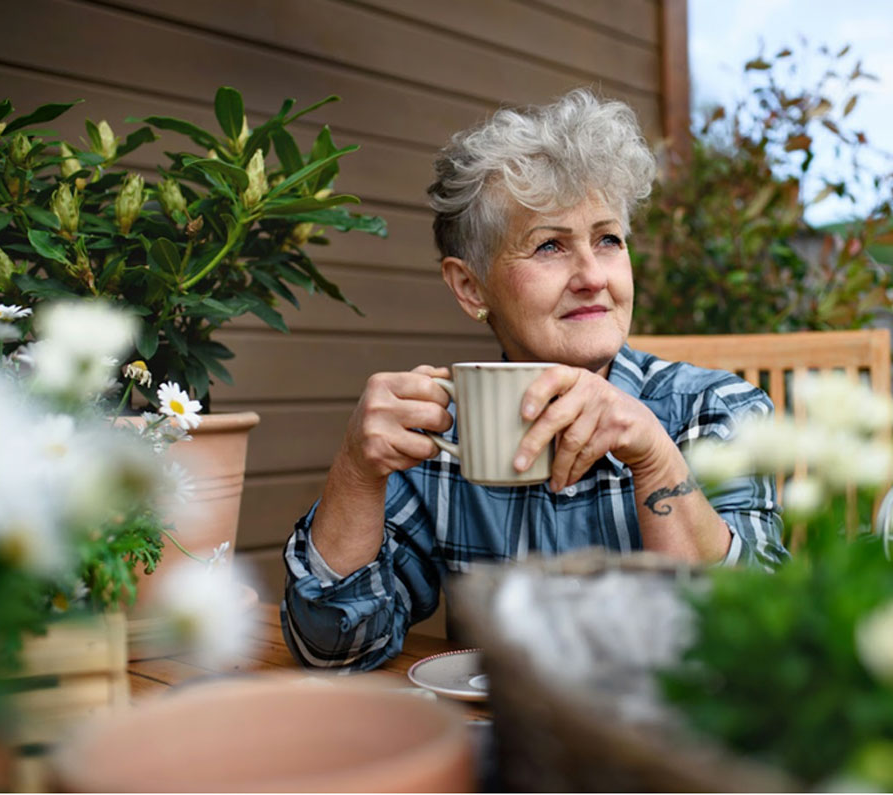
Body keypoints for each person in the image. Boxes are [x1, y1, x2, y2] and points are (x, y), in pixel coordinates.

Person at [281, 89, 786, 671]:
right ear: (470, 287)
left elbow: (749, 654)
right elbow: (334, 650)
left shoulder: (714, 409)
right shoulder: (437, 436)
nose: (593, 276)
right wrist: (354, 472)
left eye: (608, 239)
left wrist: (654, 458)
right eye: (550, 245)